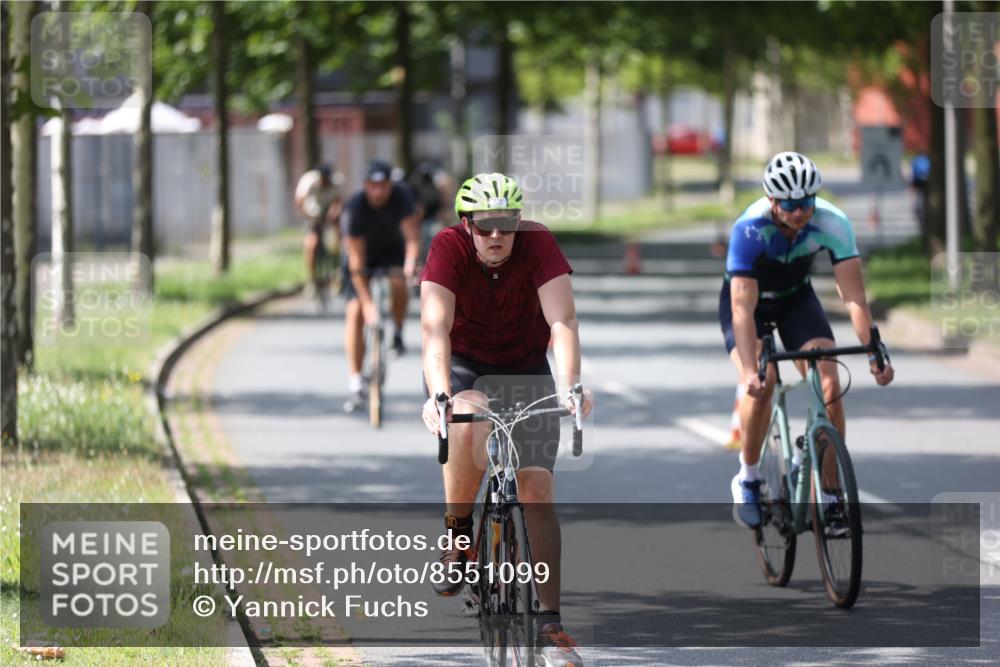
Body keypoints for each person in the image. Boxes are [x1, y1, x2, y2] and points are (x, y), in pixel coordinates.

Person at [420, 172, 594, 667]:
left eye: (506, 225)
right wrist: (439, 394)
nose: (496, 237)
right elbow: (435, 329)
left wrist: (571, 385)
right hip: (464, 365)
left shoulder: (538, 244)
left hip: (524, 368)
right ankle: (458, 534)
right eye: (484, 227)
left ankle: (550, 623)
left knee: (536, 487)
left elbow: (562, 321)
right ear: (466, 224)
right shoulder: (447, 248)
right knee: (468, 418)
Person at [720, 151, 894, 529]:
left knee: (828, 383)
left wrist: (874, 349)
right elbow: (741, 310)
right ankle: (748, 478)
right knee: (761, 386)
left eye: (807, 203)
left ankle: (830, 498)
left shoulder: (834, 223)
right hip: (749, 308)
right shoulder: (749, 229)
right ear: (772, 201)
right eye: (790, 204)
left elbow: (854, 298)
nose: (800, 212)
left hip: (796, 300)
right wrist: (751, 369)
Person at [341, 159, 420, 412]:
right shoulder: (353, 209)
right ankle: (356, 381)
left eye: (382, 186)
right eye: (372, 186)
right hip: (361, 256)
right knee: (355, 312)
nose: (377, 192)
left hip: (391, 250)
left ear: (389, 185)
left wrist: (410, 263)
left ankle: (397, 332)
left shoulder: (402, 197)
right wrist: (368, 306)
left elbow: (412, 237)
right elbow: (355, 262)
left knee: (399, 281)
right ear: (365, 186)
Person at [295, 164, 342, 294]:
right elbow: (300, 200)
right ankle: (311, 279)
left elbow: (339, 201)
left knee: (339, 237)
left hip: (329, 213)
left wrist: (334, 214)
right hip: (312, 212)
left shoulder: (336, 182)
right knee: (312, 243)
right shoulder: (308, 181)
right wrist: (308, 215)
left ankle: (337, 270)